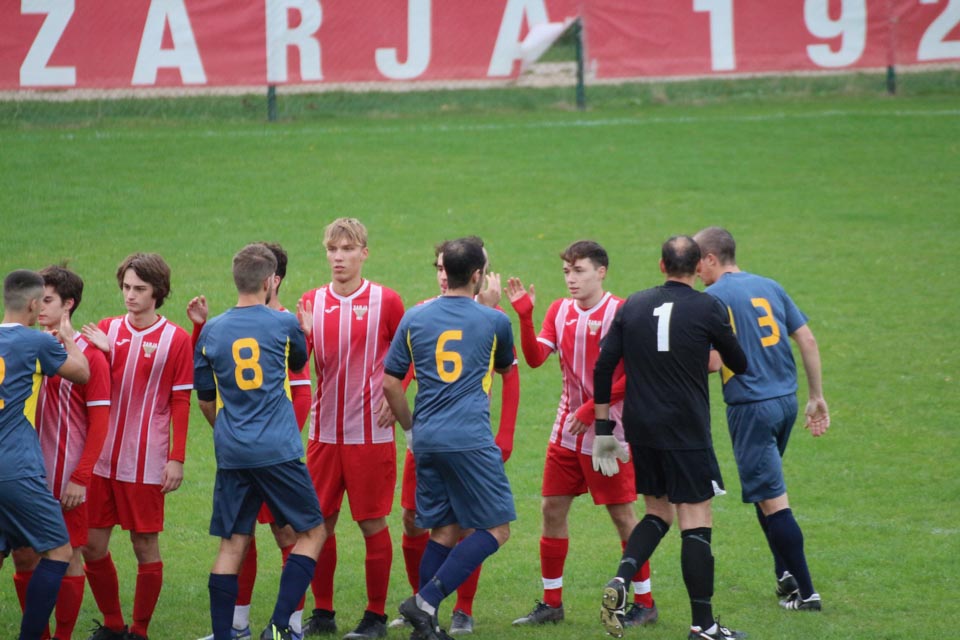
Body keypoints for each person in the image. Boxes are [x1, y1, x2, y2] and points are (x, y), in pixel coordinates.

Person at [592, 236, 748, 640]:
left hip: (642, 427)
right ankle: (703, 626)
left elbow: (604, 367)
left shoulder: (633, 305)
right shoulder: (708, 307)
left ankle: (622, 579)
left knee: (658, 513)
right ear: (698, 268)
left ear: (661, 265)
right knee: (695, 520)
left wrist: (604, 429)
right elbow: (739, 363)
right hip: (686, 429)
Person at [506, 240, 658, 628]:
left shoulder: (621, 312)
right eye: (567, 272)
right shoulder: (559, 310)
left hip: (609, 433)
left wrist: (591, 410)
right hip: (566, 433)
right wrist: (525, 317)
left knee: (622, 515)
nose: (571, 279)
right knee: (551, 509)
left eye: (579, 271)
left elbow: (635, 375)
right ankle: (551, 603)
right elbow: (535, 358)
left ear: (601, 272)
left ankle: (646, 602)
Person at [381, 237, 517, 640]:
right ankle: (425, 601)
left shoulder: (415, 317)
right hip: (469, 440)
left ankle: (427, 627)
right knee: (496, 529)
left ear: (445, 272)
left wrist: (410, 429)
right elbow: (505, 368)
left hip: (426, 440)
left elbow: (390, 383)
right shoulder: (494, 321)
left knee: (442, 530)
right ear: (477, 275)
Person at [194, 243, 327, 640]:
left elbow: (205, 398)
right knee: (312, 533)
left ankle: (225, 634)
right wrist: (305, 331)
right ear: (270, 281)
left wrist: (228, 431)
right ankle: (279, 627)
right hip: (277, 450)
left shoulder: (211, 330)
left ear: (236, 280)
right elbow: (298, 363)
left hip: (233, 453)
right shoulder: (284, 324)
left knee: (231, 544)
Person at [694, 226, 829, 612]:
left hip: (751, 407)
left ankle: (807, 594)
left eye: (698, 261)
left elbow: (714, 362)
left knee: (773, 500)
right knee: (764, 489)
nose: (696, 270)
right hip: (786, 401)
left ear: (711, 259)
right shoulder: (770, 286)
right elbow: (807, 340)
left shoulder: (712, 299)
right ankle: (784, 573)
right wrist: (816, 397)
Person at [296, 218, 405, 639]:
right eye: (332, 249)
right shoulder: (311, 301)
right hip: (323, 434)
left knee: (372, 523)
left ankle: (375, 616)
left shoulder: (386, 301)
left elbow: (408, 354)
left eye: (347, 249)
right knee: (318, 524)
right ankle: (323, 612)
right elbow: (297, 365)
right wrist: (302, 337)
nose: (338, 257)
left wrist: (394, 396)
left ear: (364, 253)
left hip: (370, 435)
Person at [80, 253, 194, 640]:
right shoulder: (106, 329)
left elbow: (181, 400)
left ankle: (139, 631)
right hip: (101, 459)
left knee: (144, 544)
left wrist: (176, 458)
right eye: (126, 287)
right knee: (91, 545)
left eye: (139, 289)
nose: (130, 295)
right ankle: (113, 624)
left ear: (157, 292)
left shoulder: (176, 339)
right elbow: (88, 384)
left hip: (146, 461)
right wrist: (99, 353)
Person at [9, 266, 111, 640]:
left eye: (48, 300)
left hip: (65, 477)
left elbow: (100, 424)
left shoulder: (91, 357)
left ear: (68, 304)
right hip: (24, 473)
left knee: (68, 558)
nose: (40, 307)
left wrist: (81, 477)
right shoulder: (27, 345)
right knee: (23, 556)